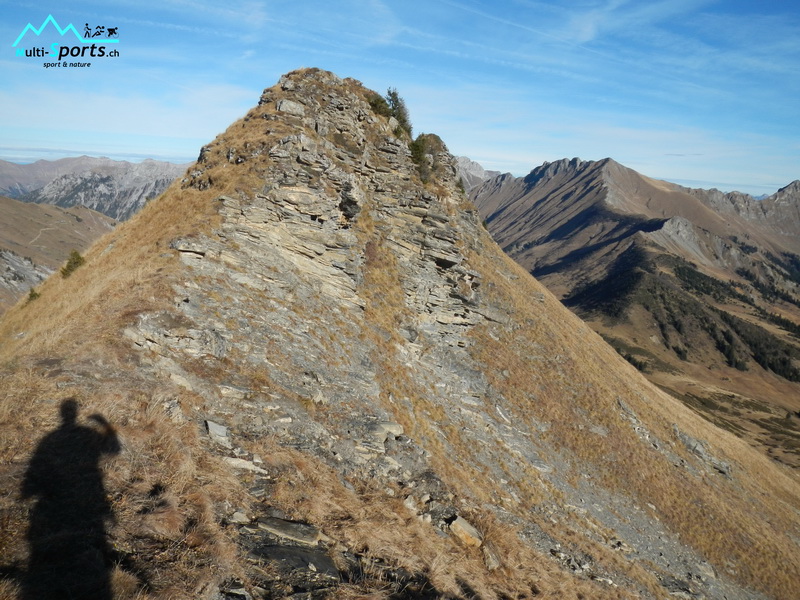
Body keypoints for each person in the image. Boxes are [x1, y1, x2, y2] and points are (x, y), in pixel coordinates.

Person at [21, 399, 120, 600]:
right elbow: (114, 450)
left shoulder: (51, 437)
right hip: (86, 494)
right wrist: (105, 424)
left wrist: (28, 491)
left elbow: (35, 467)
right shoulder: (85, 433)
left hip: (57, 500)